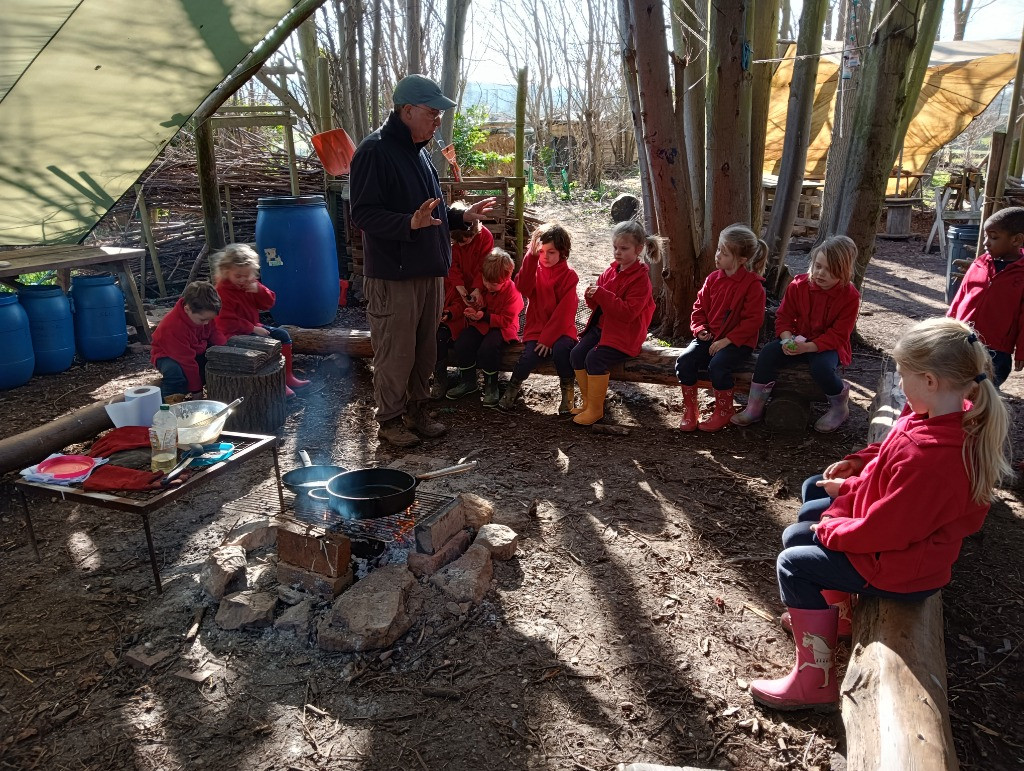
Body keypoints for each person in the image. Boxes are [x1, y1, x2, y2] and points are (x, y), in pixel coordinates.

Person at [749, 318, 1010, 712]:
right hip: (893, 543)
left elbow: (889, 527)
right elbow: (891, 457)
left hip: (901, 567)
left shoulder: (936, 458)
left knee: (794, 563)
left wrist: (833, 530)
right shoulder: (940, 414)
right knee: (809, 497)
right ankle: (839, 616)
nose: (900, 383)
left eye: (903, 376)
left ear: (930, 380)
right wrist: (855, 467)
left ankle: (814, 681)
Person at [350, 73, 494, 448]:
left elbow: (435, 212)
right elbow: (363, 214)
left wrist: (462, 215)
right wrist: (407, 223)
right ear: (407, 110)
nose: (438, 120)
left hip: (430, 271)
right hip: (394, 276)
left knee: (424, 350)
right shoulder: (373, 151)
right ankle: (390, 420)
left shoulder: (420, 154)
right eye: (432, 112)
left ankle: (417, 411)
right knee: (395, 353)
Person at [732, 235, 861, 432]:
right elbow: (783, 317)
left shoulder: (850, 296)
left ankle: (838, 407)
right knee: (767, 353)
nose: (820, 273)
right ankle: (755, 406)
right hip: (796, 338)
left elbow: (839, 334)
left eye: (829, 270)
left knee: (822, 368)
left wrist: (809, 347)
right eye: (818, 266)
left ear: (843, 272)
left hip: (827, 345)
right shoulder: (798, 286)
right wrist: (786, 340)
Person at [675, 224, 767, 433]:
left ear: (741, 260)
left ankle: (723, 411)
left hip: (738, 342)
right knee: (685, 361)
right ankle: (690, 410)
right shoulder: (712, 279)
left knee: (718, 366)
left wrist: (728, 340)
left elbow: (753, 321)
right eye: (718, 250)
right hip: (710, 337)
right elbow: (698, 307)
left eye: (724, 253)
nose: (717, 256)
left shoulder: (753, 286)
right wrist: (699, 329)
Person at [570, 220, 658, 426]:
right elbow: (597, 305)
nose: (618, 252)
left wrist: (602, 295)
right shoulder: (611, 271)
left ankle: (596, 409)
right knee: (576, 354)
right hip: (603, 329)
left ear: (638, 249)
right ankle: (588, 402)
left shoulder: (641, 280)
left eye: (624, 248)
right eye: (615, 248)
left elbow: (628, 313)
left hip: (624, 335)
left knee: (594, 359)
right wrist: (592, 295)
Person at [499, 222, 579, 414]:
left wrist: (548, 339)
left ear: (562, 252)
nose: (545, 257)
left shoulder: (569, 276)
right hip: (536, 327)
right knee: (528, 357)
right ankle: (512, 390)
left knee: (562, 351)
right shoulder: (535, 270)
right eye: (541, 252)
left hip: (561, 330)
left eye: (551, 252)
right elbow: (522, 288)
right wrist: (531, 257)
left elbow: (565, 312)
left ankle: (568, 394)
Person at [212, 243, 309, 397]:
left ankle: (287, 377)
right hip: (232, 334)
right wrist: (252, 329)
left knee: (283, 335)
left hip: (252, 327)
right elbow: (225, 321)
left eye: (247, 275)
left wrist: (259, 290)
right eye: (238, 276)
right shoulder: (222, 292)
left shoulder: (249, 284)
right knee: (265, 345)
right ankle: (277, 385)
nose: (243, 279)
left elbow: (269, 302)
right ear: (225, 272)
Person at [947, 206, 1024, 387]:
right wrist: (946, 325)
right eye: (986, 236)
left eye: (994, 237)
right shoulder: (980, 263)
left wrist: (1021, 351)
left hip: (995, 350)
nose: (986, 243)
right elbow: (960, 297)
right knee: (955, 386)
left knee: (984, 393)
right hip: (961, 340)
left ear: (1017, 240)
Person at [445, 249, 524, 406]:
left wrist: (484, 316)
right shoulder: (485, 287)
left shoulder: (513, 293)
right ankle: (468, 382)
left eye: (494, 284)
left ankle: (491, 386)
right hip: (483, 323)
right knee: (463, 342)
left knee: (488, 347)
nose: (488, 286)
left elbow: (507, 320)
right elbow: (481, 306)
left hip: (502, 328)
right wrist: (474, 311)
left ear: (507, 279)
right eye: (485, 281)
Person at [432, 201, 495, 399]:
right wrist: (460, 288)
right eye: (457, 242)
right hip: (456, 291)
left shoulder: (485, 237)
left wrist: (477, 289)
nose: (461, 245)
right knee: (442, 332)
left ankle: (472, 376)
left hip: (480, 288)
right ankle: (441, 378)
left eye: (465, 241)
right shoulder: (452, 243)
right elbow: (452, 266)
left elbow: (484, 266)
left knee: (473, 330)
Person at [150, 281, 227, 401]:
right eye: (203, 320)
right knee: (175, 373)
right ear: (187, 309)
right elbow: (187, 362)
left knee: (213, 361)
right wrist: (196, 391)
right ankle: (169, 404)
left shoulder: (203, 315)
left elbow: (214, 333)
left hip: (195, 350)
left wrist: (225, 350)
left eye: (210, 319)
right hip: (168, 355)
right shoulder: (173, 327)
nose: (206, 323)